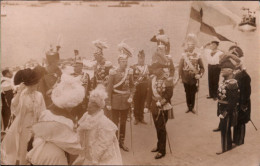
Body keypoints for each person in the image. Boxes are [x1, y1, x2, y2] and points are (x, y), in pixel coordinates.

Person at [26, 74, 85, 165]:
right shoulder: (67, 121)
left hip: (38, 149)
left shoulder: (46, 113)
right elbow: (70, 145)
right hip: (54, 156)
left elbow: (38, 132)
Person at [1, 68, 46, 165]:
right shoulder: (22, 95)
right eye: (31, 86)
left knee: (36, 147)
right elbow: (14, 107)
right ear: (26, 85)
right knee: (23, 148)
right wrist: (19, 92)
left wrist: (41, 124)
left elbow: (43, 111)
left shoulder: (39, 95)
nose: (33, 87)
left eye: (35, 85)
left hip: (37, 124)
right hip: (24, 125)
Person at [73, 85, 122, 165]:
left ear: (98, 108)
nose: (87, 109)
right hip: (87, 148)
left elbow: (103, 143)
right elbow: (80, 128)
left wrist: (95, 158)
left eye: (90, 108)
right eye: (87, 107)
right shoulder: (87, 115)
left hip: (100, 153)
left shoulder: (104, 122)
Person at [106, 42, 135, 152]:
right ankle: (113, 142)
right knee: (114, 123)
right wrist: (108, 102)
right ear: (118, 62)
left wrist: (131, 96)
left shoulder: (130, 72)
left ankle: (121, 142)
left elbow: (132, 86)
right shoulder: (113, 72)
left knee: (123, 123)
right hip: (115, 101)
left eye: (126, 61)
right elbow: (109, 89)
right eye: (122, 61)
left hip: (126, 101)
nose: (125, 63)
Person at [144, 67, 173, 159]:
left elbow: (169, 94)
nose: (153, 70)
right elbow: (149, 94)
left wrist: (161, 102)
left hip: (163, 107)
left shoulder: (167, 80)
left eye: (155, 68)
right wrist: (147, 106)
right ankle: (159, 145)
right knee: (157, 127)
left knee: (161, 128)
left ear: (160, 69)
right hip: (154, 106)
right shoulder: (152, 79)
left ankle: (162, 150)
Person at [228, 46, 251, 146]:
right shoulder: (234, 74)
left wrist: (243, 104)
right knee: (235, 120)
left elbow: (246, 92)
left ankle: (240, 141)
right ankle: (235, 140)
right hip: (236, 102)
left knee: (241, 121)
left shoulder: (244, 76)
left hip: (242, 103)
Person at [216, 57, 240, 155]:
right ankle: (228, 145)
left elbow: (232, 101)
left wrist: (225, 113)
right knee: (224, 128)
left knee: (225, 129)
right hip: (222, 109)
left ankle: (225, 148)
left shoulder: (232, 83)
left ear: (230, 71)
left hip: (227, 110)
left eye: (224, 69)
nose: (222, 71)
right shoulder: (224, 81)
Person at [178, 34, 204, 113]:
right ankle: (188, 106)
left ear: (194, 47)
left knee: (193, 93)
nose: (190, 47)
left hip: (194, 78)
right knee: (187, 93)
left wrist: (200, 75)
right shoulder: (184, 56)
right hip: (185, 78)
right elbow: (180, 67)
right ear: (187, 46)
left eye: (192, 45)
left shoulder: (198, 55)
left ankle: (192, 107)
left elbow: (202, 68)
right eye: (189, 45)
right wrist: (180, 77)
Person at [131, 50, 149, 125]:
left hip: (144, 87)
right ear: (138, 58)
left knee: (142, 102)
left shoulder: (146, 67)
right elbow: (131, 78)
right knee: (136, 103)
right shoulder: (133, 67)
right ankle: (136, 118)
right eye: (140, 58)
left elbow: (148, 78)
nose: (141, 60)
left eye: (143, 58)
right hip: (137, 87)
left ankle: (141, 117)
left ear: (144, 59)